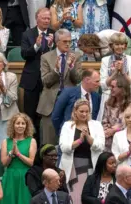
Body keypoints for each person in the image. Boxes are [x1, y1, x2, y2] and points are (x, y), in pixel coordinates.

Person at [59, 99, 104, 204]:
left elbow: (100, 145)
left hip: (91, 169)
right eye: (81, 111)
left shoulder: (96, 126)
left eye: (87, 111)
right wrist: (79, 140)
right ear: (75, 112)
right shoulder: (67, 126)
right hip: (73, 170)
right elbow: (63, 147)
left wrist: (88, 138)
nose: (84, 114)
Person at [0, 113, 37, 204]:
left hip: (25, 178)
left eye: (23, 123)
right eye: (17, 123)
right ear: (12, 125)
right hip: (10, 179)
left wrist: (18, 154)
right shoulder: (5, 141)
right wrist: (11, 154)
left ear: (26, 126)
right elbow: (4, 163)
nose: (20, 126)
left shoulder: (31, 141)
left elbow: (31, 162)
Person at [39, 28, 82, 145]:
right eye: (65, 41)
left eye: (70, 41)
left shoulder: (76, 56)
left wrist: (72, 68)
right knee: (49, 141)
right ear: (57, 42)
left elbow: (77, 80)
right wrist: (56, 70)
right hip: (50, 102)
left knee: (68, 139)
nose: (68, 44)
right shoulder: (46, 57)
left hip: (69, 101)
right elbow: (45, 82)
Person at [21, 7, 55, 144]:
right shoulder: (28, 34)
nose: (47, 21)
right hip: (32, 80)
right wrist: (36, 45)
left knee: (47, 116)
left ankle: (46, 146)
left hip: (49, 81)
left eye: (48, 18)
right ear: (37, 18)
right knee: (30, 115)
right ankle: (30, 144)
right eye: (44, 18)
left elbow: (58, 56)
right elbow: (24, 54)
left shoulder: (55, 33)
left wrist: (52, 47)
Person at [98, 32, 131, 121]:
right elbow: (103, 85)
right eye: (117, 44)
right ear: (112, 46)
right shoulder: (105, 60)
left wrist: (123, 72)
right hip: (108, 96)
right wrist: (115, 73)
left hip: (127, 97)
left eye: (122, 44)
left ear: (125, 45)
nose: (119, 47)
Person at [52, 69, 101, 136]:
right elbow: (56, 116)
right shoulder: (68, 93)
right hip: (69, 135)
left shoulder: (96, 97)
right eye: (97, 81)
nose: (99, 84)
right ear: (87, 80)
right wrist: (62, 133)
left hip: (89, 136)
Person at [102, 75, 131, 151]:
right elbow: (104, 122)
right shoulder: (108, 103)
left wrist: (115, 130)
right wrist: (109, 130)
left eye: (113, 87)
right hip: (110, 139)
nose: (110, 89)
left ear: (122, 88)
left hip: (126, 139)